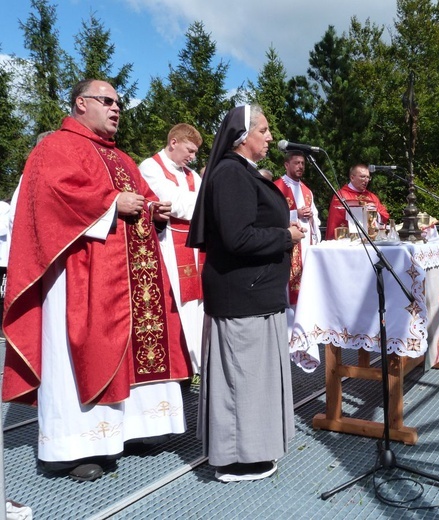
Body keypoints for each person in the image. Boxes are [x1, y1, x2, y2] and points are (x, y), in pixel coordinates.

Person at [2, 79, 190, 482]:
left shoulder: (120, 157)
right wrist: (110, 204)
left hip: (128, 276)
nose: (116, 109)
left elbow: (137, 197)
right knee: (81, 352)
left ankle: (135, 429)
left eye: (119, 103)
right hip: (79, 275)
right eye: (107, 101)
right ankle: (74, 447)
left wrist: (153, 211)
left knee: (135, 345)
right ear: (80, 103)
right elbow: (51, 199)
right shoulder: (55, 147)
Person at [187, 104, 303, 483]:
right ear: (243, 136)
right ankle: (236, 458)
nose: (271, 137)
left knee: (253, 378)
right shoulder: (230, 174)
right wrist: (286, 235)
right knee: (242, 378)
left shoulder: (241, 173)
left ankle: (252, 449)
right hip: (242, 293)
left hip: (255, 291)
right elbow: (238, 237)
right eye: (264, 130)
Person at [139, 123, 205, 373]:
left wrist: (192, 204)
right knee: (174, 304)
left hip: (195, 247)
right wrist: (194, 204)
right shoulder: (150, 167)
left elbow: (201, 201)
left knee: (197, 306)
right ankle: (178, 366)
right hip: (167, 245)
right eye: (190, 150)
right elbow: (173, 204)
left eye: (195, 152)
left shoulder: (191, 174)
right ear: (174, 142)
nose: (193, 157)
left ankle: (196, 364)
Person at [274, 150, 321, 311]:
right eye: (296, 163)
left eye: (303, 163)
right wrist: (296, 213)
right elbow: (272, 216)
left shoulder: (307, 190)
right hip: (289, 244)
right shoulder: (277, 187)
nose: (300, 166)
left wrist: (312, 215)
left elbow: (315, 215)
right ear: (286, 165)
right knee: (290, 288)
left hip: (306, 244)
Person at [325, 164, 389, 240]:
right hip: (348, 240)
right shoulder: (341, 195)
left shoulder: (372, 197)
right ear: (352, 177)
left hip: (370, 240)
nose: (366, 180)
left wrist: (374, 213)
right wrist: (362, 211)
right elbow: (336, 220)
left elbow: (384, 215)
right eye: (362, 177)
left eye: (368, 177)